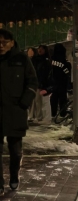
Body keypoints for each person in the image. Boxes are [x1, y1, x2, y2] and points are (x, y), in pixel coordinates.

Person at [0, 29, 38, 195]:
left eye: (4, 42)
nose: (1, 46)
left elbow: (32, 82)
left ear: (12, 42)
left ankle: (14, 175)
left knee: (15, 151)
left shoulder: (21, 59)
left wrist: (24, 103)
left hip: (15, 111)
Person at [29, 45, 52, 123]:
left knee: (43, 101)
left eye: (42, 49)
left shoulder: (46, 61)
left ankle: (42, 117)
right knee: (37, 101)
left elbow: (46, 73)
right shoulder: (36, 60)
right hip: (37, 83)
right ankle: (38, 116)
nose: (40, 50)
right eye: (39, 49)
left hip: (43, 84)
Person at [50, 43, 71, 120]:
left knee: (53, 99)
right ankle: (62, 114)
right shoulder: (66, 63)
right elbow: (67, 73)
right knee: (62, 99)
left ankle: (53, 114)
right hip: (62, 83)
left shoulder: (51, 61)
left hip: (53, 83)